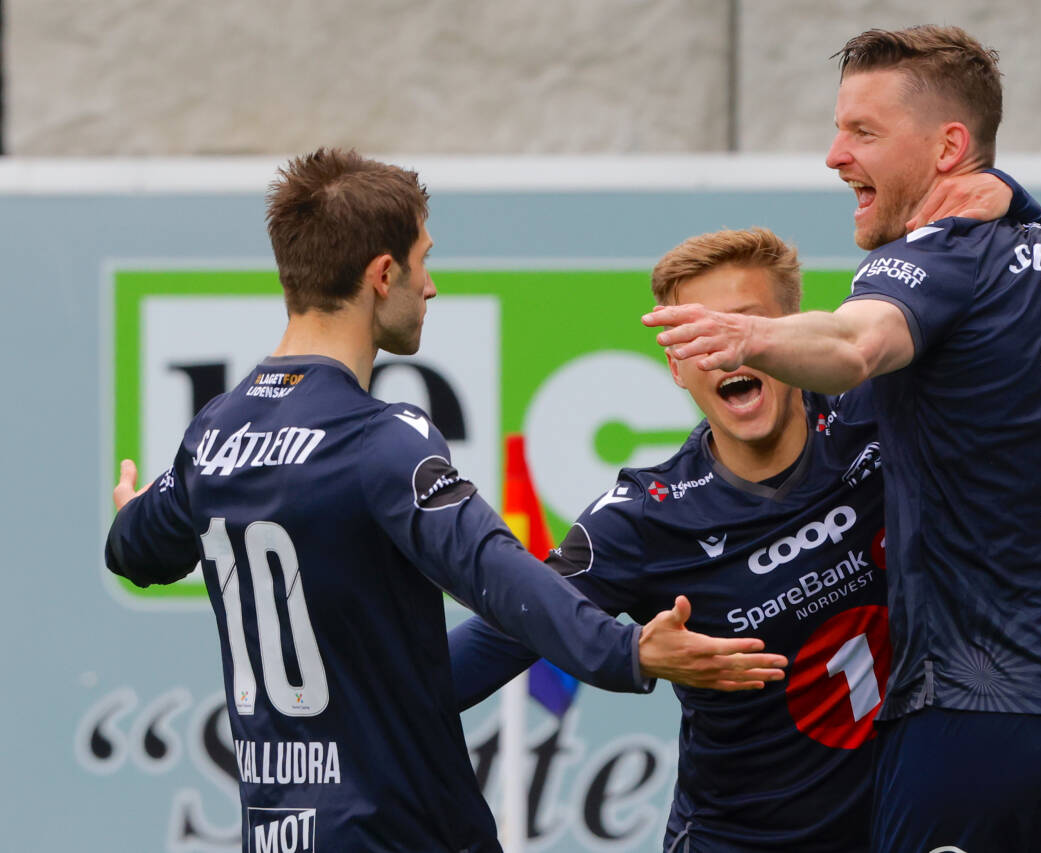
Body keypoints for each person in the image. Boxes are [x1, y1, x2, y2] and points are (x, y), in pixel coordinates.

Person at [644, 26, 1041, 853]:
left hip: (973, 717)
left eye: (862, 132)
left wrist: (747, 336)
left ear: (948, 147)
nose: (833, 155)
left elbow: (853, 347)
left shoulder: (932, 260)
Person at [103, 148, 791, 853]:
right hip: (401, 833)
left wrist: (132, 511)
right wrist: (628, 651)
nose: (429, 286)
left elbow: (134, 548)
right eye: (422, 260)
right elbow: (493, 569)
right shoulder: (378, 439)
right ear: (382, 274)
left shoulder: (213, 433)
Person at [451, 226, 1041, 850]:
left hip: (913, 818)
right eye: (696, 335)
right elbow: (494, 645)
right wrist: (631, 654)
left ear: (791, 335)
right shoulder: (645, 515)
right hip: (739, 840)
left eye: (744, 325)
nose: (725, 350)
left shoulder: (886, 416)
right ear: (675, 364)